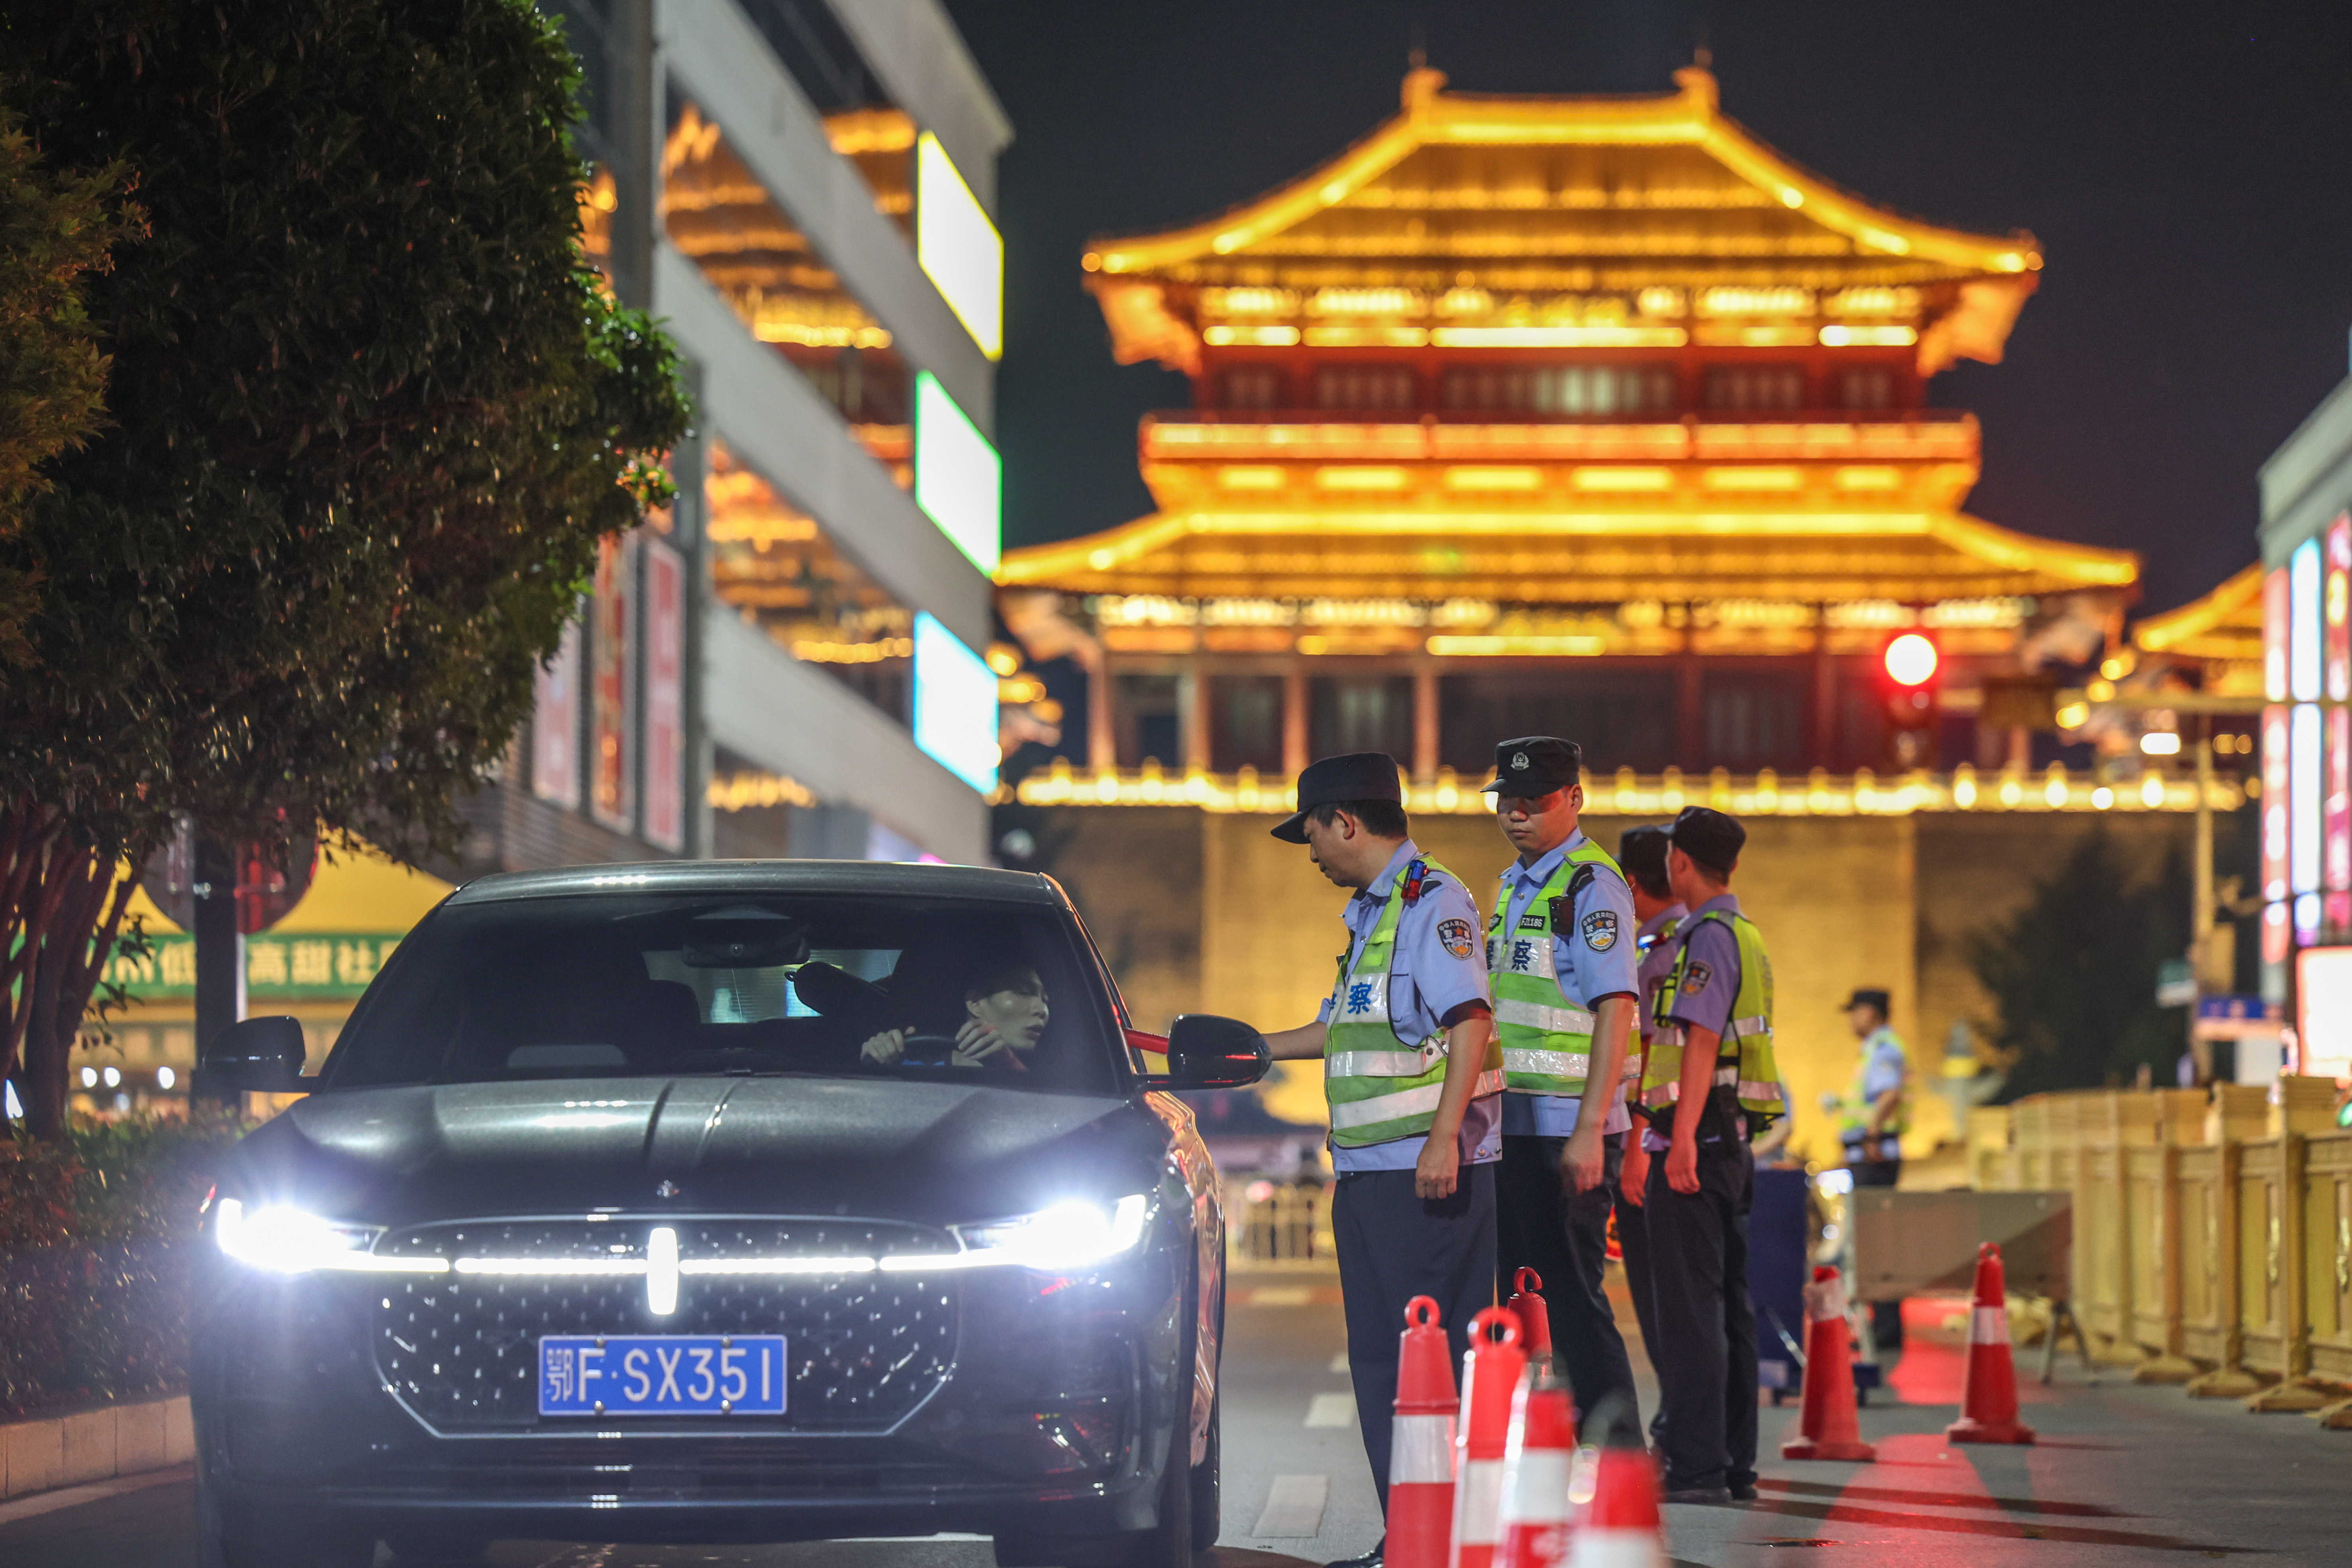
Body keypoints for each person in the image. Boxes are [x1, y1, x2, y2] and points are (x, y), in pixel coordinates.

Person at [1258, 752, 1501, 1568]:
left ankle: (1444, 1540)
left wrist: (1443, 1137)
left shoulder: (1433, 902)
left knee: (1430, 1365)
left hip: (1422, 1178)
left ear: (1346, 822)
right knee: (1382, 1364)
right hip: (1369, 1175)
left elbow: (1471, 1021)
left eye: (1312, 835)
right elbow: (1337, 1029)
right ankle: (1413, 1538)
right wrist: (1248, 1047)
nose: (1312, 852)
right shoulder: (1373, 915)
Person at [1481, 736, 1640, 1421]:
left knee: (1573, 1300)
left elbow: (1617, 1007)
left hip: (1565, 1129)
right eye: (1506, 802)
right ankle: (1546, 1447)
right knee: (1525, 1293)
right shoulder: (1515, 885)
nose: (1516, 814)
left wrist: (1589, 1129)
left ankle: (1616, 1454)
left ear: (1573, 798)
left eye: (1533, 801)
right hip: (1514, 1124)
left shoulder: (1590, 885)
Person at [1638, 805, 1785, 1504]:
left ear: (1681, 863)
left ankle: (1696, 1465)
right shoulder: (1744, 934)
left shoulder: (1707, 938)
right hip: (1731, 1139)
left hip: (1697, 1138)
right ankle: (1733, 1463)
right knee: (1728, 1306)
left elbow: (1699, 1041)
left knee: (1691, 1310)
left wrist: (1681, 1141)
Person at [1612, 822, 1683, 1424]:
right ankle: (1691, 1426)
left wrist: (1635, 1146)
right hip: (1681, 1138)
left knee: (1663, 1294)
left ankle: (1681, 1423)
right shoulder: (1696, 938)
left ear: (1631, 885)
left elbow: (1654, 1056)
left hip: (1656, 1142)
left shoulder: (1661, 955)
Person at [1830, 986, 1910, 1347]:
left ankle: (1887, 1329)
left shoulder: (1883, 1048)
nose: (1851, 1019)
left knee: (1877, 1243)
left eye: (1855, 1011)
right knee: (1876, 1242)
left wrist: (1872, 1134)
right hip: (1868, 1156)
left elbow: (1890, 1093)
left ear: (1871, 1012)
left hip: (1875, 1158)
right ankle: (1884, 1326)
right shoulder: (1875, 1049)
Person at [859, 956, 1050, 1072]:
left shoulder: (1054, 1081)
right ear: (975, 1003)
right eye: (1023, 992)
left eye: (1046, 1000)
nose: (1042, 1010)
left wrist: (1010, 1064)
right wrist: (876, 1058)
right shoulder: (913, 1068)